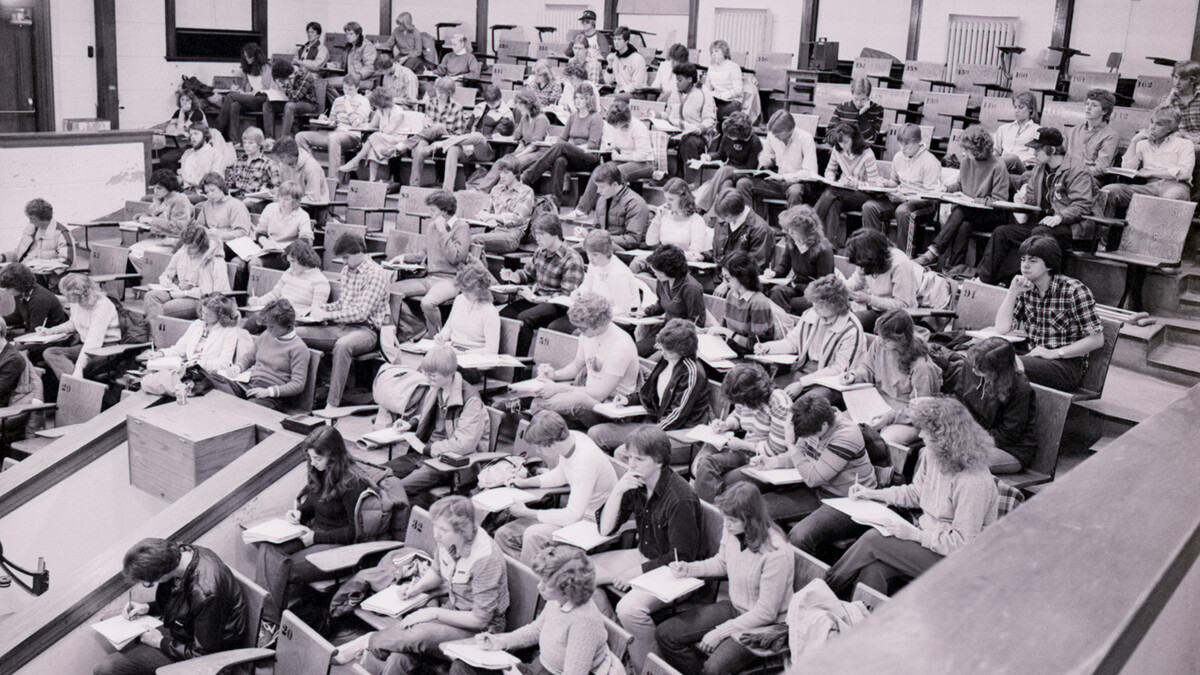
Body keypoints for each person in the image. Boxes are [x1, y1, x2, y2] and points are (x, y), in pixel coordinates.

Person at [825, 397, 1000, 597]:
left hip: (956, 562)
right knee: (873, 570)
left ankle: (822, 593)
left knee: (874, 540)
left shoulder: (973, 481)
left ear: (945, 437)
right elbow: (916, 494)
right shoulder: (930, 455)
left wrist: (913, 535)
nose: (920, 435)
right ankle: (859, 620)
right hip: (927, 541)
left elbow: (962, 544)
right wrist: (872, 494)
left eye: (926, 431)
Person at [338, 496, 508, 673]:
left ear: (462, 530)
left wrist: (434, 613)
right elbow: (437, 571)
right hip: (454, 612)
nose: (436, 534)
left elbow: (480, 619)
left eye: (442, 529)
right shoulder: (449, 540)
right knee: (399, 656)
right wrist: (415, 589)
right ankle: (375, 645)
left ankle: (369, 642)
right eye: (435, 526)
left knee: (419, 634)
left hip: (482, 631)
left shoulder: (486, 558)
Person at [594, 426, 703, 670]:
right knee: (580, 576)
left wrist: (637, 572)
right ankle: (622, 644)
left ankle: (648, 667)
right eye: (630, 457)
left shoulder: (680, 498)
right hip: (644, 557)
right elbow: (605, 529)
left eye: (639, 459)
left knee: (630, 609)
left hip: (676, 571)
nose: (631, 464)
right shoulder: (635, 483)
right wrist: (618, 490)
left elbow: (682, 557)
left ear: (659, 462)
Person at [656, 483, 794, 675]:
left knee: (714, 668)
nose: (726, 525)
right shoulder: (733, 531)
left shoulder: (776, 552)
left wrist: (719, 632)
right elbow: (722, 563)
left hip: (763, 625)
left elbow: (766, 613)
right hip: (735, 608)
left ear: (751, 519)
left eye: (731, 521)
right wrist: (688, 569)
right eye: (725, 519)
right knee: (666, 634)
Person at [252, 426, 370, 640]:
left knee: (279, 566)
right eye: (311, 458)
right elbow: (314, 503)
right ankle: (269, 622)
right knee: (267, 547)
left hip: (337, 544)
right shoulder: (320, 470)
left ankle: (268, 624)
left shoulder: (353, 482)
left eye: (317, 458)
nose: (313, 462)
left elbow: (354, 533)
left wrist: (316, 538)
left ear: (333, 455)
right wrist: (299, 512)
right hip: (313, 532)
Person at [449, 544, 620, 675]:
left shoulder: (584, 621)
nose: (539, 586)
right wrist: (501, 641)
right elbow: (536, 630)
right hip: (536, 668)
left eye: (546, 584)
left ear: (567, 589)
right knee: (461, 667)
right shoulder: (557, 601)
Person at [93, 539, 249, 675]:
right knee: (109, 638)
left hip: (207, 654)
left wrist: (160, 642)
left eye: (149, 582)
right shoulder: (184, 555)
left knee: (105, 669)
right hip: (185, 632)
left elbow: (203, 654)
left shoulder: (206, 593)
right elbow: (185, 605)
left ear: (162, 574)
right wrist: (148, 607)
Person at [495, 411, 618, 565]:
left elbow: (572, 515)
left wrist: (528, 513)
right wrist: (525, 482)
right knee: (503, 534)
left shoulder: (584, 462)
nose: (538, 452)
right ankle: (530, 577)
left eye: (540, 448)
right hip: (578, 516)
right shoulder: (572, 439)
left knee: (533, 535)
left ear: (553, 442)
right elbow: (561, 474)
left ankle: (533, 584)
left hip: (591, 523)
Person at [977, 127, 1095, 285]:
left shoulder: (1078, 170)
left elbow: (1082, 204)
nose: (1033, 154)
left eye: (1038, 150)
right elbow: (1032, 197)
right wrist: (1022, 201)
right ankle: (983, 280)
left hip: (1073, 229)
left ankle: (1025, 283)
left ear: (1052, 150)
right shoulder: (1040, 168)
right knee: (1002, 232)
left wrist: (1060, 217)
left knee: (1039, 233)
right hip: (1043, 224)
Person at [993, 235, 1104, 391]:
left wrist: (1056, 353)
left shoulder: (1074, 290)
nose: (1025, 265)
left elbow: (1097, 339)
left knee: (1005, 365)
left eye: (1033, 261)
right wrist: (1012, 292)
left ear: (1049, 264)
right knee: (985, 354)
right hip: (1034, 356)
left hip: (1066, 364)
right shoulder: (1026, 289)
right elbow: (1001, 328)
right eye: (1023, 259)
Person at [744, 393, 877, 522]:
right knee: (755, 508)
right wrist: (772, 462)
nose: (806, 439)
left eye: (808, 436)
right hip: (819, 490)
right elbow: (801, 454)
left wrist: (790, 444)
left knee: (799, 537)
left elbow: (813, 478)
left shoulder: (846, 435)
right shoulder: (813, 424)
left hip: (846, 499)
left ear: (824, 425)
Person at [587, 318, 711, 454]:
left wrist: (647, 433)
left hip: (678, 433)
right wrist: (629, 400)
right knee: (596, 433)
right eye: (662, 349)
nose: (662, 353)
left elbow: (677, 415)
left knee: (622, 453)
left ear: (683, 351)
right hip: (655, 426)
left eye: (668, 351)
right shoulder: (667, 361)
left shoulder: (692, 372)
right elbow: (648, 392)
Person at [299, 233, 391, 408]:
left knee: (343, 345)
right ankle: (312, 389)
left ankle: (332, 404)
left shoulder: (376, 274)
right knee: (297, 333)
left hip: (366, 331)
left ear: (360, 252)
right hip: (341, 325)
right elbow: (343, 304)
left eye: (347, 258)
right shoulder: (347, 270)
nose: (344, 262)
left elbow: (361, 313)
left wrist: (327, 316)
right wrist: (319, 309)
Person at [392, 347, 491, 508]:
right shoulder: (437, 388)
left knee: (398, 488)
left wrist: (428, 449)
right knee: (380, 473)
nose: (427, 378)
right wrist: (411, 423)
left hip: (448, 463)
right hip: (424, 453)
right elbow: (430, 416)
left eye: (432, 375)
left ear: (450, 373)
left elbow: (464, 445)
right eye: (425, 373)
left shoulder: (470, 400)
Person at [531, 293, 639, 428]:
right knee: (543, 399)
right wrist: (555, 375)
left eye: (584, 328)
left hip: (611, 408)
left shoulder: (621, 346)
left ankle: (522, 409)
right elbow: (576, 366)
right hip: (590, 398)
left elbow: (600, 393)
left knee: (547, 402)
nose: (580, 332)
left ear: (600, 323)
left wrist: (558, 387)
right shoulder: (588, 335)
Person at [912, 125, 1011, 272]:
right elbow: (960, 184)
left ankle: (933, 252)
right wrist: (946, 189)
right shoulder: (967, 161)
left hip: (993, 215)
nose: (965, 152)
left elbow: (999, 200)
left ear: (981, 148)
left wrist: (974, 201)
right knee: (964, 224)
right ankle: (954, 267)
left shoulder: (998, 165)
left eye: (969, 149)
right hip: (970, 213)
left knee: (961, 211)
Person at [691, 363, 792, 501]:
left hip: (767, 461)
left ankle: (712, 515)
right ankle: (709, 513)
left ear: (751, 396)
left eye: (742, 402)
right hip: (745, 453)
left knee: (722, 484)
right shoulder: (747, 401)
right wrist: (726, 425)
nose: (741, 405)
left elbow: (776, 449)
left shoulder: (778, 401)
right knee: (705, 464)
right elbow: (738, 414)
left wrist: (742, 445)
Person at [841, 308, 942, 446]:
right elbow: (867, 369)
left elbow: (921, 410)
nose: (881, 342)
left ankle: (888, 467)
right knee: (841, 422)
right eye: (881, 337)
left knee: (886, 439)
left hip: (909, 417)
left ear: (901, 339)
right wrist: (854, 376)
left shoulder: (922, 367)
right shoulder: (879, 344)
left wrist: (890, 417)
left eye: (887, 340)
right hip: (879, 403)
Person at [755, 274, 866, 398]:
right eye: (814, 303)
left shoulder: (851, 329)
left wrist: (801, 384)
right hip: (805, 372)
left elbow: (838, 370)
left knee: (802, 407)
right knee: (763, 393)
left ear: (836, 304)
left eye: (820, 305)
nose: (815, 307)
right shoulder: (811, 314)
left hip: (830, 382)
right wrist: (768, 347)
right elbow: (792, 343)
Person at [942, 337, 1037, 473]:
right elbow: (959, 400)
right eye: (975, 366)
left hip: (1010, 448)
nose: (975, 371)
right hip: (974, 437)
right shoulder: (972, 366)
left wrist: (970, 438)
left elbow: (1008, 434)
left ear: (1000, 371)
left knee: (955, 461)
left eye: (982, 370)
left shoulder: (1019, 387)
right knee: (932, 450)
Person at [498, 214, 586, 355]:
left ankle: (520, 367)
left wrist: (534, 298)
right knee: (504, 315)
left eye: (541, 234)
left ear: (555, 233)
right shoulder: (540, 251)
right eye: (536, 234)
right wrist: (513, 276)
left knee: (524, 320)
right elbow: (528, 273)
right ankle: (501, 359)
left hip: (557, 305)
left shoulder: (572, 259)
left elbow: (566, 296)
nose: (537, 238)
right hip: (536, 297)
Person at [390, 191, 471, 336]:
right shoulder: (432, 226)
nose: (429, 214)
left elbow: (456, 257)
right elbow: (424, 253)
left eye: (433, 210)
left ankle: (435, 339)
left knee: (428, 303)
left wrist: (442, 231)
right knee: (388, 292)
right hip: (429, 277)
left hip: (451, 279)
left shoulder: (462, 227)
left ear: (445, 212)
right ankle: (416, 328)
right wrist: (404, 257)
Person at [1094, 107, 1194, 217]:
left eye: (1159, 124)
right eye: (1151, 122)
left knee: (1169, 198)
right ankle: (1102, 233)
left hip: (1175, 186)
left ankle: (1156, 234)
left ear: (1171, 128)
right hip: (1149, 187)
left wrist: (1151, 172)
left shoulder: (1184, 144)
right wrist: (1134, 141)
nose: (1152, 127)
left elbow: (1184, 173)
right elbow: (1128, 169)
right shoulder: (1142, 144)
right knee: (1109, 191)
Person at [212, 298, 311, 410]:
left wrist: (269, 392)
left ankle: (235, 406)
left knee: (249, 408)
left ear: (286, 325)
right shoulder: (267, 335)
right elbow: (250, 357)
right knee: (213, 378)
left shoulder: (299, 348)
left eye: (272, 327)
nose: (268, 329)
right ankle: (234, 405)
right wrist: (237, 368)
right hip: (249, 384)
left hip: (272, 394)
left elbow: (298, 384)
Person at [845, 229, 951, 332]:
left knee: (858, 324)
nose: (861, 267)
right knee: (849, 322)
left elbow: (903, 305)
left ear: (870, 257)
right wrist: (838, 288)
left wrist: (869, 299)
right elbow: (856, 282)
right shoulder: (867, 260)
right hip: (885, 305)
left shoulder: (899, 263)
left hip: (918, 304)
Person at [860, 123, 942, 255]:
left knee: (903, 211)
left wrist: (906, 198)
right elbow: (895, 181)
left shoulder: (930, 162)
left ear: (918, 142)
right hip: (900, 199)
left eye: (907, 145)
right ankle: (873, 252)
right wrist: (885, 184)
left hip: (924, 204)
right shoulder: (899, 157)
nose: (903, 148)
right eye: (901, 144)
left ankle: (904, 257)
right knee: (870, 207)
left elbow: (932, 196)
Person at [520, 83, 604, 206]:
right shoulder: (573, 116)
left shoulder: (595, 118)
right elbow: (562, 138)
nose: (578, 101)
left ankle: (528, 176)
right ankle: (554, 202)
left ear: (589, 100)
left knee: (563, 147)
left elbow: (593, 145)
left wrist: (570, 147)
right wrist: (553, 141)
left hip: (589, 157)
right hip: (572, 156)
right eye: (576, 98)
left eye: (582, 98)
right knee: (559, 160)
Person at [565, 103, 654, 219]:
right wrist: (611, 147)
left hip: (645, 163)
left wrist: (619, 157)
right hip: (625, 158)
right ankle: (581, 210)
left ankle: (612, 212)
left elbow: (642, 155)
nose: (614, 126)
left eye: (616, 124)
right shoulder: (615, 127)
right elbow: (619, 145)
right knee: (600, 171)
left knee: (615, 173)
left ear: (623, 120)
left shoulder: (638, 127)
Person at [41, 274, 122, 382]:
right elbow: (73, 324)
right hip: (85, 346)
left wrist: (79, 368)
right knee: (49, 352)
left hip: (105, 349)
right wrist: (50, 331)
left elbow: (93, 342)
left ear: (80, 294)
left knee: (72, 368)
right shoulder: (76, 302)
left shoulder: (102, 306)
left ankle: (74, 385)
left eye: (68, 295)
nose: (66, 298)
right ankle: (73, 383)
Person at [555, 229, 642, 329]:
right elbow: (587, 286)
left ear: (606, 252)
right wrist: (579, 293)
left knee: (578, 332)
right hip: (597, 314)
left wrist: (593, 312)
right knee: (556, 326)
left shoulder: (617, 273)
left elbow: (623, 309)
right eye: (588, 253)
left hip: (616, 319)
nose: (590, 258)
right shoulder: (595, 264)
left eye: (595, 254)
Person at [465, 89, 550, 191]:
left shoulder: (541, 119)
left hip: (539, 152)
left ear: (528, 104)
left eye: (520, 104)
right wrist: (501, 137)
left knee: (511, 164)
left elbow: (534, 145)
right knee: (501, 161)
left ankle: (499, 190)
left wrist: (517, 155)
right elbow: (516, 136)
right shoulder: (525, 118)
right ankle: (483, 189)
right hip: (525, 149)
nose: (517, 107)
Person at [143, 225, 232, 321]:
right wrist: (166, 280)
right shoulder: (182, 253)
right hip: (177, 291)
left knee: (164, 308)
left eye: (192, 247)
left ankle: (156, 333)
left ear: (202, 245)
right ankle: (155, 332)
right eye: (186, 246)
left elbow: (213, 293)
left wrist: (185, 293)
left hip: (198, 299)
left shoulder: (214, 260)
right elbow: (167, 273)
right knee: (150, 296)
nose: (188, 250)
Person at [439, 85, 515, 191]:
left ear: (499, 99)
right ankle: (447, 189)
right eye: (488, 103)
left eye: (493, 103)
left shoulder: (506, 113)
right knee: (453, 149)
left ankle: (446, 142)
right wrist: (467, 144)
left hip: (488, 150)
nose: (490, 106)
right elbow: (467, 129)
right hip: (469, 147)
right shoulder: (479, 107)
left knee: (478, 136)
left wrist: (471, 141)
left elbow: (493, 137)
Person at [737, 110, 818, 209]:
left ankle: (793, 223)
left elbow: (810, 173)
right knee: (743, 183)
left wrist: (784, 177)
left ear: (788, 131)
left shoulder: (806, 139)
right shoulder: (772, 135)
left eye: (778, 135)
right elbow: (768, 156)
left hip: (797, 183)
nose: (775, 137)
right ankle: (748, 221)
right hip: (776, 180)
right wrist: (763, 162)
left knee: (794, 192)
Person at [814, 122, 880, 243]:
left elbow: (873, 185)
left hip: (863, 195)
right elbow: (830, 170)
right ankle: (830, 245)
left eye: (846, 142)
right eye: (840, 142)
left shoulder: (867, 154)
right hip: (842, 192)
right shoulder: (837, 150)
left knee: (832, 192)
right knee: (834, 203)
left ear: (854, 139)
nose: (842, 145)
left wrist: (855, 184)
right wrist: (831, 179)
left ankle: (810, 224)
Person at [245, 239, 330, 332]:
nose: (291, 266)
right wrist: (259, 301)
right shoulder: (290, 272)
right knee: (255, 319)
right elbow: (275, 294)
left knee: (275, 327)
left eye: (293, 261)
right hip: (278, 313)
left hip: (295, 319)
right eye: (290, 262)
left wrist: (295, 313)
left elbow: (315, 311)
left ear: (304, 259)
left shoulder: (320, 282)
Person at [296, 73, 370, 180]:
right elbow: (333, 121)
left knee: (334, 138)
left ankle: (333, 178)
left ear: (357, 88)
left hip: (351, 135)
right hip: (334, 133)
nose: (347, 92)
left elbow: (356, 123)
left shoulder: (363, 101)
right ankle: (313, 170)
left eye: (350, 89)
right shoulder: (338, 101)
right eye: (345, 88)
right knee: (300, 136)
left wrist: (348, 104)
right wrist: (324, 120)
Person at [339, 88, 422, 182]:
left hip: (398, 139)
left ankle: (355, 162)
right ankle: (372, 180)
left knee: (374, 137)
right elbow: (372, 126)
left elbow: (387, 131)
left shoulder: (398, 113)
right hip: (384, 138)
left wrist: (386, 115)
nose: (375, 107)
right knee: (372, 147)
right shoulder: (380, 111)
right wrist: (358, 124)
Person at [142, 293, 241, 371]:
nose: (203, 317)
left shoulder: (229, 331)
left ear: (221, 315)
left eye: (209, 315)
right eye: (203, 312)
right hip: (188, 367)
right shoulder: (197, 324)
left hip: (208, 373)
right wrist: (160, 354)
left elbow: (224, 362)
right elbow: (179, 349)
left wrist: (201, 363)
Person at [765, 205, 835, 313]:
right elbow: (784, 266)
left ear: (805, 229)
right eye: (789, 229)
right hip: (797, 287)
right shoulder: (792, 241)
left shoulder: (824, 250)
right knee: (776, 292)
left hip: (815, 294)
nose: (789, 232)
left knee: (792, 303)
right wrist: (773, 273)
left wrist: (797, 286)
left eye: (793, 230)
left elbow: (823, 287)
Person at [638, 244, 706, 356]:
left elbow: (696, 323)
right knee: (637, 351)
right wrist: (645, 312)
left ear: (670, 270)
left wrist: (669, 341)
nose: (655, 274)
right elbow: (661, 304)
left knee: (651, 360)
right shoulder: (662, 280)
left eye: (658, 271)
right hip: (664, 329)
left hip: (680, 338)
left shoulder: (691, 288)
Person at [403, 77, 472, 187]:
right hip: (430, 139)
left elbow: (458, 135)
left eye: (442, 93)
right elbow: (427, 130)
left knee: (440, 128)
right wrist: (425, 121)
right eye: (437, 92)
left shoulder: (457, 108)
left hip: (447, 142)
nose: (439, 95)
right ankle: (414, 185)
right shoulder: (431, 103)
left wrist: (441, 132)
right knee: (420, 147)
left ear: (449, 93)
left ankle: (407, 143)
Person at [695, 112, 762, 212]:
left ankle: (702, 207)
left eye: (733, 137)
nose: (730, 138)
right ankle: (720, 219)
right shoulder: (727, 136)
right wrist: (709, 157)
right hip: (728, 174)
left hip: (744, 174)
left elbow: (750, 168)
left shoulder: (754, 142)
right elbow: (721, 154)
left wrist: (731, 172)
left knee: (725, 170)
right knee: (725, 185)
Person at [471, 157, 535, 254]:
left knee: (474, 239)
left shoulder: (526, 192)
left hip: (512, 235)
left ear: (515, 173)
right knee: (463, 237)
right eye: (500, 173)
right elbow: (486, 210)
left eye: (506, 173)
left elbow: (518, 218)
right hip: (495, 230)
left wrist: (491, 216)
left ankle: (471, 268)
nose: (502, 176)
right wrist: (485, 216)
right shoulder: (496, 189)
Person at [716, 251, 775, 357]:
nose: (725, 282)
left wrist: (728, 333)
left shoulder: (758, 302)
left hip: (750, 357)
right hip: (731, 351)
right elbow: (724, 327)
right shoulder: (731, 294)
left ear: (742, 277)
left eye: (728, 278)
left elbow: (756, 345)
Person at [434, 262, 500, 354]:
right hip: (454, 350)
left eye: (468, 291)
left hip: (474, 356)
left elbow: (492, 350)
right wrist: (442, 336)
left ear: (480, 289)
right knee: (429, 362)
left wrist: (464, 354)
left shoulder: (490, 312)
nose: (464, 294)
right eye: (463, 290)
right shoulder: (460, 299)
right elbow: (449, 326)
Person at [132, 169, 194, 266]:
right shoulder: (161, 199)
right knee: (130, 252)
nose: (155, 191)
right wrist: (142, 218)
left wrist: (152, 220)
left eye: (159, 188)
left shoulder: (180, 200)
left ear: (169, 186)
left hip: (174, 241)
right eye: (154, 188)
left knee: (138, 255)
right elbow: (155, 218)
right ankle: (147, 275)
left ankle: (152, 275)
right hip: (158, 238)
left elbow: (179, 228)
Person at [668, 62, 717, 185]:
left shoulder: (704, 94)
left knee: (688, 141)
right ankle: (663, 175)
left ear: (690, 79)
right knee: (658, 137)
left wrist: (699, 128)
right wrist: (655, 115)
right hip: (676, 130)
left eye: (679, 80)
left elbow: (710, 120)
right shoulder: (675, 93)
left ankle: (690, 182)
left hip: (698, 135)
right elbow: (668, 113)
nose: (676, 83)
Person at [214, 43, 273, 141]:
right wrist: (239, 90)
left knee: (230, 97)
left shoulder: (265, 67)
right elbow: (244, 87)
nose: (246, 59)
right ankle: (235, 140)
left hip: (262, 98)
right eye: (245, 57)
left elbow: (266, 89)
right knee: (235, 105)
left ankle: (217, 130)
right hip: (251, 98)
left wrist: (247, 93)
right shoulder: (247, 69)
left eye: (249, 57)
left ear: (255, 56)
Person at [588, 162, 652, 251]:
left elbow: (633, 240)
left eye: (601, 187)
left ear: (614, 184)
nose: (598, 191)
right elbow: (597, 228)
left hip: (626, 250)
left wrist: (603, 239)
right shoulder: (602, 200)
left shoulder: (635, 203)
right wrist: (587, 233)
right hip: (605, 246)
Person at [707, 187, 775, 267]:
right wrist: (703, 256)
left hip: (740, 277)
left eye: (725, 216)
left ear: (736, 211)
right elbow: (718, 254)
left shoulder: (760, 229)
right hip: (719, 274)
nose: (721, 219)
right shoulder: (723, 221)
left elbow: (758, 265)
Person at [646, 178, 711, 261]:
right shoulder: (664, 216)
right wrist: (658, 219)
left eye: (671, 199)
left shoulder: (696, 220)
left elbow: (695, 254)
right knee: (637, 263)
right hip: (663, 260)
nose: (667, 203)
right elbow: (650, 242)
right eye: (666, 199)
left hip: (681, 263)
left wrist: (669, 255)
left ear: (683, 199)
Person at [254, 181, 315, 269]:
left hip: (287, 254)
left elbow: (306, 240)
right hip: (267, 250)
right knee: (246, 263)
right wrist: (266, 243)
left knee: (255, 263)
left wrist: (282, 246)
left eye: (286, 199)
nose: (282, 202)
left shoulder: (303, 215)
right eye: (281, 197)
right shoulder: (270, 208)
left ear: (296, 201)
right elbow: (260, 232)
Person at [1064, 88, 1120, 182]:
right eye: (1087, 103)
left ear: (1104, 111)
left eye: (1094, 105)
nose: (1088, 108)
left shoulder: (1111, 135)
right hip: (1067, 175)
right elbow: (1061, 156)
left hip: (1089, 179)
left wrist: (1075, 173)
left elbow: (1101, 168)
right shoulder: (1072, 131)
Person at [3, 198, 74, 272]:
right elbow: (18, 253)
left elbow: (66, 261)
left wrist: (38, 265)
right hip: (24, 270)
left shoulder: (61, 233)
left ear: (43, 218)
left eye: (32, 218)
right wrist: (3, 257)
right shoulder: (30, 229)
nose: (30, 221)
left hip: (41, 276)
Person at [0, 263, 68, 333]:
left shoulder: (39, 300)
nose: (5, 290)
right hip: (37, 333)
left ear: (19, 285)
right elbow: (18, 317)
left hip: (51, 336)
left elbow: (34, 331)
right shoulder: (21, 293)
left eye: (8, 287)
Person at [265, 58, 319, 140]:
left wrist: (285, 85)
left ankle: (284, 139)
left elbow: (295, 97)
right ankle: (269, 138)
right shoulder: (287, 76)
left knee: (289, 106)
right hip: (290, 101)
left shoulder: (305, 76)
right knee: (268, 103)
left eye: (281, 79)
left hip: (308, 103)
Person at [194, 172, 253, 246]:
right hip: (212, 240)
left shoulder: (235, 205)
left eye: (213, 190)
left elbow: (242, 232)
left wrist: (221, 234)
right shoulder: (207, 204)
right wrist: (207, 232)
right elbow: (200, 224)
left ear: (221, 187)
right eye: (207, 192)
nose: (210, 195)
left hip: (231, 243)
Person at [224, 127, 282, 197]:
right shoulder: (238, 162)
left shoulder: (269, 164)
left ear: (259, 145)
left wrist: (267, 190)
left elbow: (278, 188)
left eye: (251, 143)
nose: (247, 146)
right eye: (245, 143)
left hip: (256, 200)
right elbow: (230, 184)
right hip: (238, 198)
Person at [270, 136, 330, 203]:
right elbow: (284, 189)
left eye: (282, 157)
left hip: (314, 207)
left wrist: (290, 202)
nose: (280, 160)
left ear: (291, 154)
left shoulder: (311, 167)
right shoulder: (283, 164)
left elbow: (313, 198)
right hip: (291, 204)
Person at [994, 91, 1041, 175]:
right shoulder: (1004, 128)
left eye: (1020, 107)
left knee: (1013, 158)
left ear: (1031, 109)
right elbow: (995, 150)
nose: (1016, 110)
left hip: (1023, 168)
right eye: (1015, 107)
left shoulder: (1037, 130)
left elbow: (1032, 157)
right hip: (1003, 166)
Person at [830, 77, 885, 145]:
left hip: (864, 151)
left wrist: (862, 115)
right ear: (852, 94)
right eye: (856, 99)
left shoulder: (877, 110)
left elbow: (871, 139)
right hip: (841, 148)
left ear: (868, 97)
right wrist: (844, 140)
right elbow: (829, 134)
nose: (859, 103)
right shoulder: (841, 108)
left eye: (863, 99)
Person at [704, 40, 744, 124]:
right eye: (712, 52)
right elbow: (707, 88)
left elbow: (738, 90)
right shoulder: (711, 68)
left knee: (713, 112)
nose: (713, 54)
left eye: (716, 51)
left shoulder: (734, 67)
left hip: (732, 100)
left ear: (724, 52)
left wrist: (725, 95)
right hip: (716, 100)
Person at [178, 125, 228, 191]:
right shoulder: (187, 153)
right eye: (191, 134)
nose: (192, 137)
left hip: (204, 192)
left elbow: (214, 180)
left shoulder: (215, 154)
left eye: (196, 134)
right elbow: (182, 176)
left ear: (204, 136)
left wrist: (188, 180)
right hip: (185, 190)